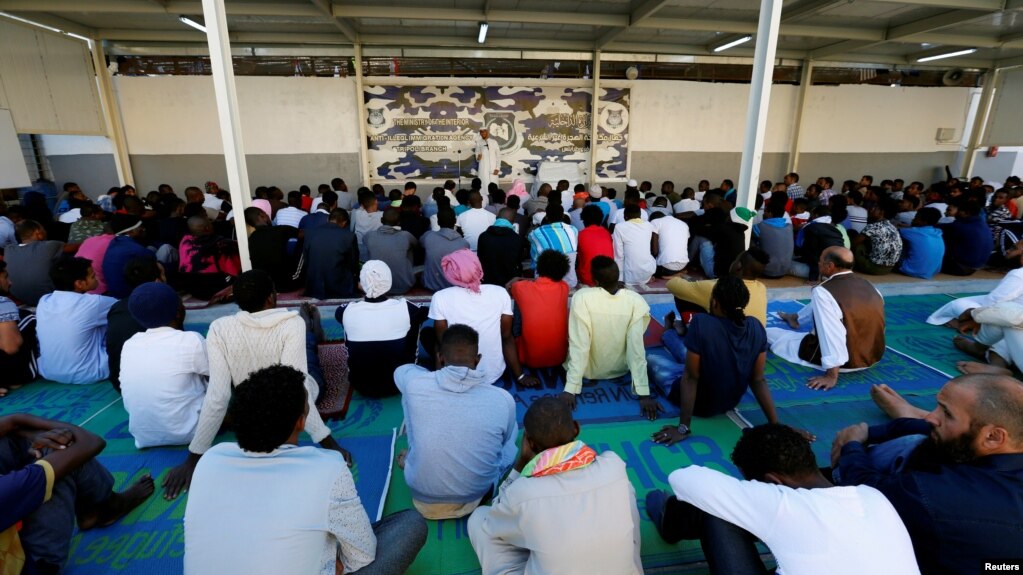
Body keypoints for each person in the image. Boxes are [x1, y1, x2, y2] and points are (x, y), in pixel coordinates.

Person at [184, 364, 427, 575]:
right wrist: (331, 565)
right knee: (410, 525)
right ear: (301, 422)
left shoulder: (209, 460)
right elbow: (362, 557)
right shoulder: (328, 467)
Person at [162, 270, 348, 500]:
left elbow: (218, 396)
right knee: (312, 361)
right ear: (271, 298)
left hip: (253, 405)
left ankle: (312, 327)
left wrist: (193, 458)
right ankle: (313, 325)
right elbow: (298, 386)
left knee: (308, 351)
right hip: (291, 400)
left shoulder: (219, 328)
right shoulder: (291, 324)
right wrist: (329, 443)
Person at [646, 424, 920, 575]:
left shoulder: (783, 505)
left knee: (715, 509)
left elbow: (683, 477)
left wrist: (751, 495)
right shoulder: (873, 497)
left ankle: (667, 517)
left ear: (773, 481)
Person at [833, 374, 1023, 574]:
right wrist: (872, 432)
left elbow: (864, 490)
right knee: (917, 440)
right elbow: (921, 425)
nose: (931, 417)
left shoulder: (938, 495)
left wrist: (852, 445)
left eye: (947, 414)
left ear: (993, 437)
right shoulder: (1009, 443)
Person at [468, 397, 643, 575]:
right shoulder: (613, 465)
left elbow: (492, 522)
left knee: (479, 518)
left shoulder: (521, 493)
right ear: (576, 428)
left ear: (529, 442)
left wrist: (521, 463)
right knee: (624, 494)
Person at [0, 413, 155, 573]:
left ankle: (90, 511)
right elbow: (90, 442)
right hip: (34, 564)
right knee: (65, 455)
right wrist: (16, 420)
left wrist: (30, 433)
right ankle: (109, 508)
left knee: (14, 441)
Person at [395, 324, 517, 520]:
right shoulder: (502, 399)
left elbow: (402, 371)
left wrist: (430, 377)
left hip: (422, 497)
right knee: (511, 439)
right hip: (475, 496)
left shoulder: (415, 385)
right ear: (477, 360)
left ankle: (413, 458)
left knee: (409, 400)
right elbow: (502, 443)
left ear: (440, 357)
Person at [650, 277, 787, 446]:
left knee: (652, 360)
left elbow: (690, 378)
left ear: (714, 302)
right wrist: (776, 426)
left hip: (701, 403)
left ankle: (668, 333)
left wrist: (682, 428)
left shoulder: (702, 323)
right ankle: (668, 333)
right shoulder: (755, 326)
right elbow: (758, 380)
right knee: (687, 351)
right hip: (729, 401)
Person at [770, 246, 885, 391]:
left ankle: (831, 368)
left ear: (829, 266)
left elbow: (831, 332)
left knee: (769, 333)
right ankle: (795, 317)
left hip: (845, 363)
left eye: (820, 261)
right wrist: (797, 317)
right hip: (872, 357)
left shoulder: (823, 291)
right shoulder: (870, 286)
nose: (818, 264)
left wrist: (831, 374)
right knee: (825, 301)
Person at [562, 256, 661, 420]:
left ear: (595, 280)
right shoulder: (636, 301)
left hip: (587, 372)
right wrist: (644, 393)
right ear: (618, 277)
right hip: (620, 371)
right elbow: (636, 349)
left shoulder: (582, 297)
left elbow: (579, 346)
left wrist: (570, 389)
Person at [424, 249, 536, 386]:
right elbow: (506, 337)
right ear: (478, 268)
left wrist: (441, 383)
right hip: (493, 374)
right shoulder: (500, 292)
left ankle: (441, 379)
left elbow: (442, 341)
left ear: (449, 274)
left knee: (430, 335)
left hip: (455, 376)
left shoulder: (440, 297)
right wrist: (520, 376)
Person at [119, 282, 208, 448]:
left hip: (143, 436)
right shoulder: (190, 340)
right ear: (180, 312)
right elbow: (217, 375)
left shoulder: (130, 344)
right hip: (193, 431)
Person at [337, 262, 427, 398]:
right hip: (400, 383)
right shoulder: (408, 309)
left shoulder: (344, 310)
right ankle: (410, 367)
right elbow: (424, 311)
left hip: (361, 385)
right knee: (413, 322)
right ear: (388, 282)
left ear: (361, 284)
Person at [36, 256, 118, 385]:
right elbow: (126, 308)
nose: (96, 277)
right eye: (92, 276)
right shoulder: (93, 303)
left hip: (48, 371)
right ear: (79, 283)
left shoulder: (44, 301)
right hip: (90, 373)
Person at [105, 257, 165, 393]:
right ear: (157, 281)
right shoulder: (164, 306)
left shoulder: (117, 307)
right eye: (163, 274)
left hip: (120, 384)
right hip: (156, 386)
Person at [666, 248, 769, 326]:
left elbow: (672, 284)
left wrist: (689, 280)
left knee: (683, 293)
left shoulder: (716, 287)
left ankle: (688, 325)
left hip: (725, 344)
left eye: (735, 260)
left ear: (738, 266)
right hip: (754, 346)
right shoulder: (762, 288)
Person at [508, 250, 570, 369]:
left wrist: (517, 278)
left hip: (528, 358)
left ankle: (517, 339)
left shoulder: (520, 287)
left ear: (538, 268)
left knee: (519, 303)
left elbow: (511, 288)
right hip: (559, 357)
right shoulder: (564, 287)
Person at [178, 215, 241, 300]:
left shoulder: (184, 242)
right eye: (211, 223)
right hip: (215, 289)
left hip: (193, 289)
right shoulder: (221, 243)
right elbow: (234, 268)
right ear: (207, 228)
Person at [302, 208, 359, 300]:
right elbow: (353, 263)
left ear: (328, 219)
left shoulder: (310, 233)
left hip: (314, 286)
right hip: (338, 287)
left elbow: (306, 259)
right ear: (344, 223)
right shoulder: (349, 236)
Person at [5, 220, 65, 306]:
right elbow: (76, 247)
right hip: (48, 297)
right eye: (43, 229)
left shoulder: (9, 249)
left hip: (19, 297)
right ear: (38, 232)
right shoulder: (50, 246)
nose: (45, 231)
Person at [0, 261, 38, 395]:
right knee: (28, 317)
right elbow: (11, 347)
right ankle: (17, 377)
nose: (10, 283)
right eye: (5, 277)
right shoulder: (3, 302)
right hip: (16, 374)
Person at [245, 207, 303, 292]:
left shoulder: (251, 239)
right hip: (287, 284)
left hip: (264, 286)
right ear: (262, 215)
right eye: (266, 214)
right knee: (306, 242)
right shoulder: (281, 230)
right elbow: (304, 234)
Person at [363, 208, 417, 295]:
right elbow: (416, 245)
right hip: (403, 286)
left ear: (381, 220)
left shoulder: (369, 236)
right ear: (399, 222)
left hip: (376, 286)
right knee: (410, 248)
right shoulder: (406, 236)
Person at [101, 215, 156, 300]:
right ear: (130, 232)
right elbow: (152, 259)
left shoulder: (114, 243)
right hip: (130, 295)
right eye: (140, 227)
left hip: (114, 294)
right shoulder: (135, 249)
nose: (143, 229)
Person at [526, 205, 579, 288]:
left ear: (546, 217)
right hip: (570, 282)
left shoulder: (535, 233)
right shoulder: (573, 230)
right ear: (562, 216)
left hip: (544, 284)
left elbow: (535, 259)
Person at [420, 207, 470, 292]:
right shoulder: (464, 244)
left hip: (431, 287)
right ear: (455, 221)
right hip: (454, 287)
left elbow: (419, 245)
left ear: (438, 222)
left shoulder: (428, 237)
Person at [939, 199, 993, 275]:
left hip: (960, 268)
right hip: (974, 267)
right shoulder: (982, 224)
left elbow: (939, 228)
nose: (956, 213)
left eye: (959, 211)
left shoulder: (960, 226)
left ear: (966, 213)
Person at [477, 208, 525, 287]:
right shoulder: (517, 239)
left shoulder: (483, 236)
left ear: (496, 218)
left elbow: (480, 259)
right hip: (509, 284)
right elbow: (518, 262)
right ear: (513, 222)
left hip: (487, 282)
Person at [852, 200, 902, 275]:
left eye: (875, 208)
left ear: (881, 212)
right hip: (889, 269)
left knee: (859, 244)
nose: (871, 209)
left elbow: (854, 243)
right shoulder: (892, 227)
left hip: (873, 268)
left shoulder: (872, 226)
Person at [611, 204, 656, 287]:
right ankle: (646, 278)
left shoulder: (619, 227)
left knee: (619, 255)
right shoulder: (649, 226)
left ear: (625, 216)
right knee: (649, 256)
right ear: (640, 216)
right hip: (647, 272)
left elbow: (619, 255)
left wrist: (620, 278)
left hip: (628, 277)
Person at [897, 207, 944, 279]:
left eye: (916, 217)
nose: (913, 219)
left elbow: (894, 231)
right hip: (931, 272)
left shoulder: (912, 231)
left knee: (896, 239)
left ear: (924, 221)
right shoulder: (938, 232)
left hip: (910, 270)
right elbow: (919, 231)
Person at [757, 199, 793, 278]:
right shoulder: (789, 226)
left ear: (770, 213)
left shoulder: (760, 226)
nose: (763, 213)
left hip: (766, 270)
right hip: (785, 270)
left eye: (765, 211)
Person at [649, 211, 690, 278]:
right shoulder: (684, 224)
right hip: (684, 265)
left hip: (666, 268)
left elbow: (655, 251)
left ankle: (668, 276)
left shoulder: (655, 222)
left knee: (646, 269)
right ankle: (679, 272)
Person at [475, 127, 501, 195]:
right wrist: (478, 157)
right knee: (484, 187)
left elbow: (498, 156)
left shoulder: (494, 142)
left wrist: (497, 168)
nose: (483, 133)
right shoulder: (479, 142)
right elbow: (477, 156)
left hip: (493, 169)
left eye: (484, 131)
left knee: (494, 188)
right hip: (483, 170)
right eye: (481, 132)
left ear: (487, 132)